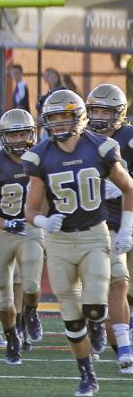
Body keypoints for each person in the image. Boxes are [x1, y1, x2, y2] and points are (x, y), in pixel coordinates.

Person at [23, 90, 133, 396]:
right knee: (71, 319)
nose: (58, 123)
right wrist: (43, 222)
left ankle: (97, 326)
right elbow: (30, 209)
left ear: (78, 117)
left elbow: (129, 187)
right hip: (59, 242)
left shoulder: (101, 148)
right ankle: (87, 376)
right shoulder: (40, 155)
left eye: (64, 116)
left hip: (95, 235)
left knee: (95, 307)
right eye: (53, 118)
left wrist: (127, 228)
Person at [0, 109, 44, 365]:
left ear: (31, 134)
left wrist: (44, 219)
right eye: (13, 135)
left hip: (30, 227)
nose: (18, 139)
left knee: (31, 284)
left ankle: (31, 311)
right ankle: (12, 336)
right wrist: (5, 223)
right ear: (4, 137)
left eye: (23, 134)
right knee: (2, 296)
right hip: (1, 230)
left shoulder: (42, 156)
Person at [86, 84, 133, 373]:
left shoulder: (129, 138)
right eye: (96, 111)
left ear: (119, 113)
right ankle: (122, 347)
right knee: (117, 283)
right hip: (105, 223)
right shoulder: (83, 140)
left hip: (130, 217)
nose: (100, 117)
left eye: (106, 111)